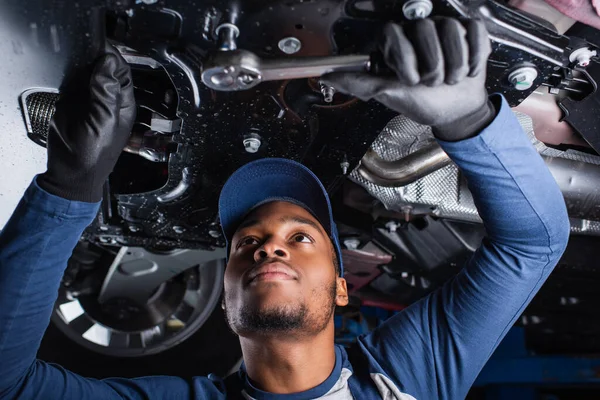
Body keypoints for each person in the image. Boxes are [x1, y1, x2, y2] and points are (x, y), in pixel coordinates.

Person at [0, 17, 569, 400]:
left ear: (343, 289)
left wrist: (67, 188)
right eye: (250, 242)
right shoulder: (408, 380)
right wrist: (466, 119)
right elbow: (530, 245)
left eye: (299, 237)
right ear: (223, 301)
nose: (268, 244)